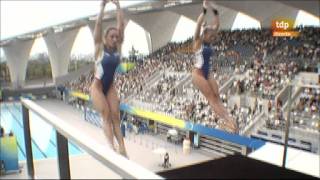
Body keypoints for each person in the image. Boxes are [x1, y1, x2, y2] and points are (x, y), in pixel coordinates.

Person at [191, 0, 238, 133]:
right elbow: (199, 23)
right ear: (204, 34)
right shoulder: (197, 41)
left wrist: (215, 9)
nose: (212, 37)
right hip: (198, 73)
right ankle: (227, 120)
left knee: (217, 95)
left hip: (207, 71)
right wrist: (205, 9)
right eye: (210, 35)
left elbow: (217, 24)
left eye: (212, 36)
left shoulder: (209, 38)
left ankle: (228, 118)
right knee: (211, 97)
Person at [90, 0, 127, 157]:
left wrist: (118, 6)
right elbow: (98, 26)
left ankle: (122, 148)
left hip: (110, 86)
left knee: (116, 117)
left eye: (116, 37)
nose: (114, 39)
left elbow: (121, 26)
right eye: (111, 36)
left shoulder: (118, 48)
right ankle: (111, 148)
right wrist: (102, 6)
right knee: (106, 115)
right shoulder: (99, 47)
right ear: (105, 38)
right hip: (97, 87)